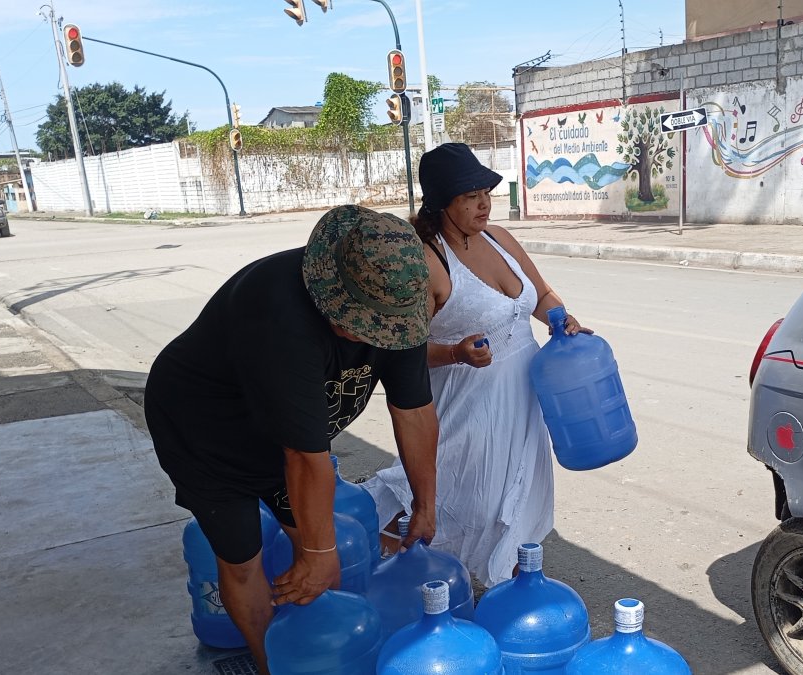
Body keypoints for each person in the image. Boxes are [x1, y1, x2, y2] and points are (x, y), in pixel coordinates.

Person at [144, 205, 438, 675]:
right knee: (243, 558)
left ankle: (316, 655)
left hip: (288, 440)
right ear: (331, 292)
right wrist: (317, 557)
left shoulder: (399, 304)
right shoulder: (277, 311)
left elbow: (415, 411)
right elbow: (303, 455)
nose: (370, 335)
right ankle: (271, 666)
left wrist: (425, 503)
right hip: (206, 431)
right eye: (358, 322)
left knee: (323, 560)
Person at [361, 143, 588, 587]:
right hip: (466, 406)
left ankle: (516, 588)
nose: (484, 203)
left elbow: (540, 295)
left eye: (486, 191)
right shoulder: (428, 258)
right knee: (460, 496)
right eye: (470, 196)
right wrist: (454, 352)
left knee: (520, 495)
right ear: (442, 202)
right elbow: (399, 348)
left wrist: (564, 320)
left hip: (523, 401)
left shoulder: (500, 238)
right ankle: (397, 577)